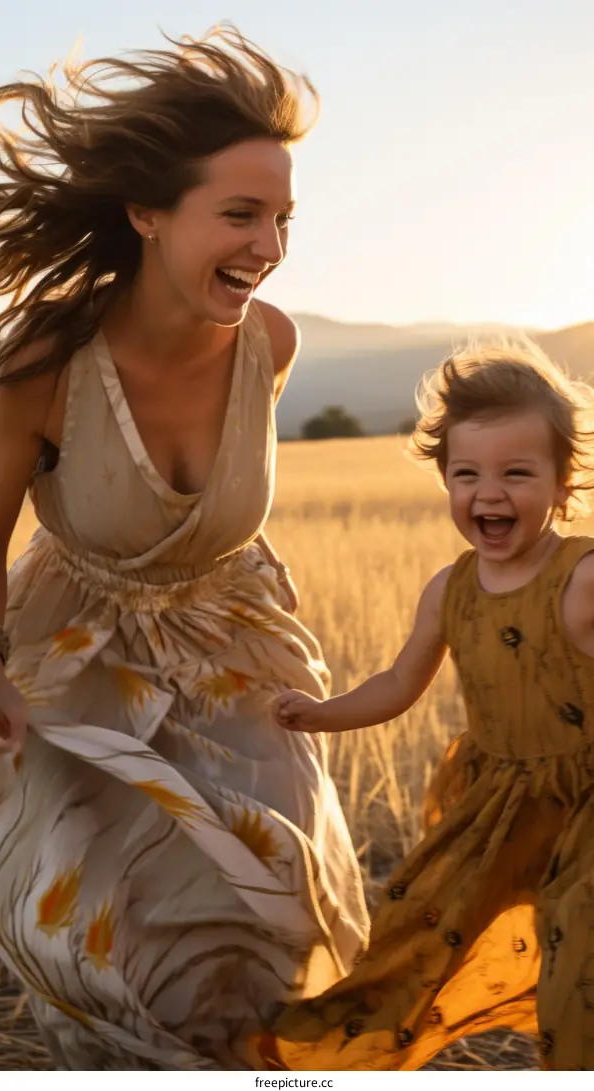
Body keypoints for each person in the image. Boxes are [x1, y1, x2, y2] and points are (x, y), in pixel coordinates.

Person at [0, 27, 369, 1071]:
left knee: (278, 910)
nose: (270, 246)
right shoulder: (44, 359)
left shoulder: (272, 343)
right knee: (90, 935)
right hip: (78, 655)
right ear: (147, 212)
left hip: (235, 648)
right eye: (241, 214)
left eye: (285, 218)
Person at [266, 339, 594, 1071]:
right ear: (445, 479)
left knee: (580, 941)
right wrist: (320, 712)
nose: (489, 493)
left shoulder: (582, 576)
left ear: (563, 482)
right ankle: (311, 1053)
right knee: (418, 926)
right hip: (503, 800)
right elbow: (396, 683)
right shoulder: (450, 591)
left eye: (518, 473)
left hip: (590, 795)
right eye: (467, 473)